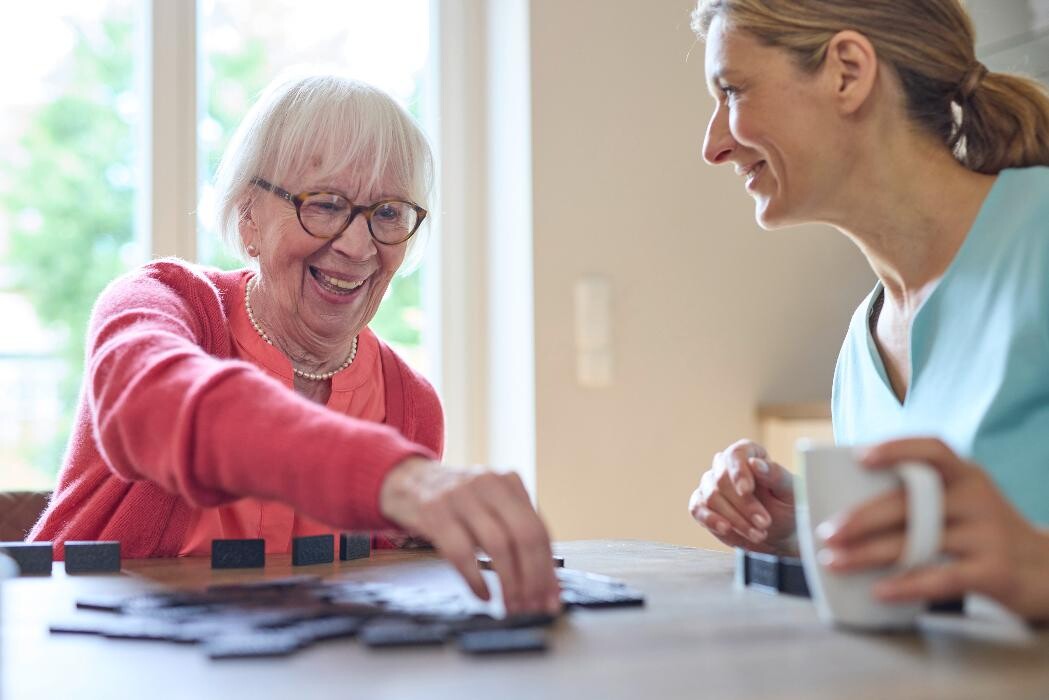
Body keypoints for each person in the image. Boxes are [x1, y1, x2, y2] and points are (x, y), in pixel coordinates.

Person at [30, 72, 560, 616]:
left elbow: (370, 608)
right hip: (83, 644)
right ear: (249, 216)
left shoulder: (411, 405)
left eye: (387, 212)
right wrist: (392, 477)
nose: (357, 246)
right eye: (325, 204)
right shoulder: (161, 302)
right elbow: (156, 406)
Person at [686, 0, 1049, 620]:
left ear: (848, 72)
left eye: (734, 91)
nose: (713, 146)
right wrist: (807, 527)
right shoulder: (862, 352)